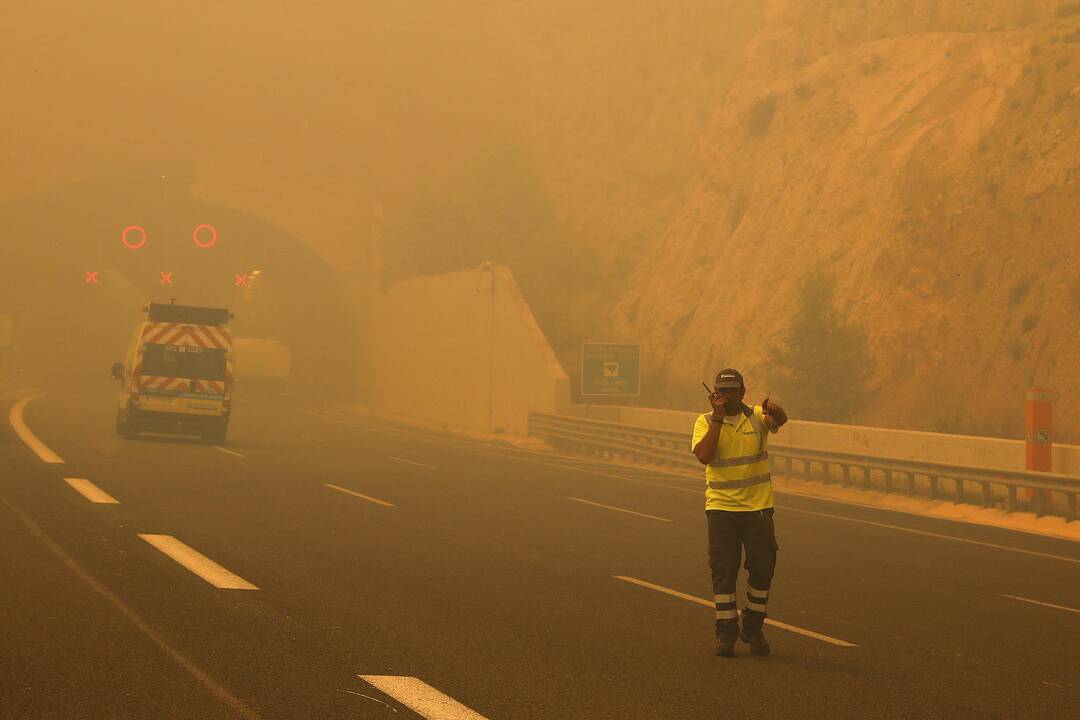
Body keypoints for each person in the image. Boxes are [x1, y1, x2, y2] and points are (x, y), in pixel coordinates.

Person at [691, 368, 788, 657]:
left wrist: (778, 411)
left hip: (758, 509)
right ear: (714, 394)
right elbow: (704, 456)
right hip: (721, 509)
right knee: (723, 572)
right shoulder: (705, 421)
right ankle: (726, 633)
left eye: (733, 391)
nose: (728, 395)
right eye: (723, 391)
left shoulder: (756, 416)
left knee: (762, 569)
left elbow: (778, 421)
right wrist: (718, 419)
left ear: (743, 392)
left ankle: (753, 628)